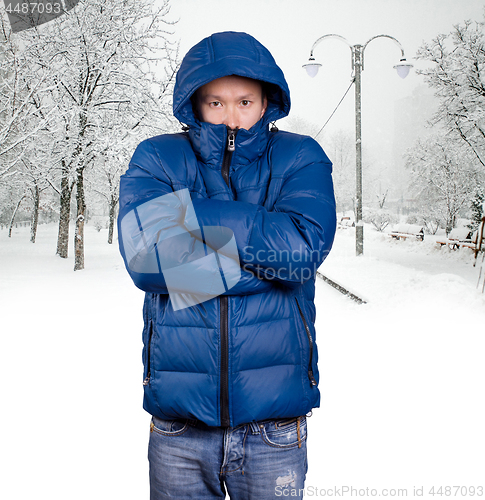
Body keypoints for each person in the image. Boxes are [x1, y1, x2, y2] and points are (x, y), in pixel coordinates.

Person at [118, 31, 336, 500]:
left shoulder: (300, 157)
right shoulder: (158, 157)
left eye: (244, 101)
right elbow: (145, 260)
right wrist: (266, 256)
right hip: (180, 428)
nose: (231, 116)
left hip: (273, 426)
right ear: (194, 103)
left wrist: (189, 226)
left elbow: (299, 253)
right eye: (215, 103)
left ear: (267, 101)